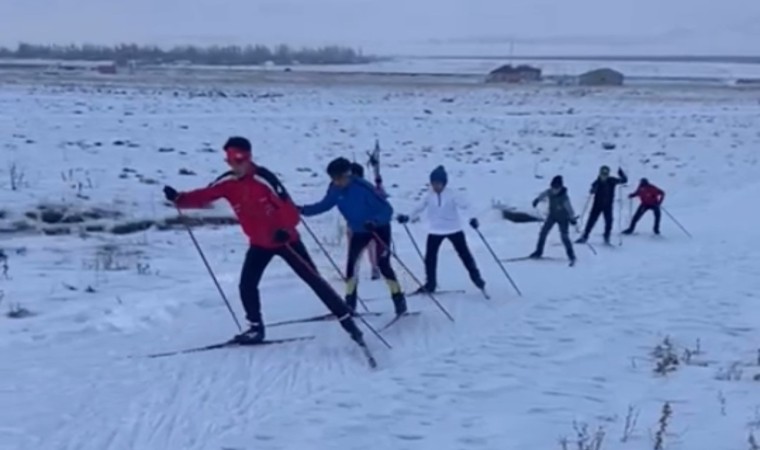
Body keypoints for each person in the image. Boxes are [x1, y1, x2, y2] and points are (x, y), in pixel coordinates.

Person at [162, 137, 365, 347]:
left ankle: (348, 323)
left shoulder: (264, 179)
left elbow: (290, 210)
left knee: (314, 280)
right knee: (247, 285)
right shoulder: (227, 182)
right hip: (259, 243)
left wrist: (285, 230)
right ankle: (255, 329)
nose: (236, 165)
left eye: (240, 159)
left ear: (249, 157)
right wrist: (179, 198)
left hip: (286, 241)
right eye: (231, 161)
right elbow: (205, 194)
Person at [299, 157, 407, 316]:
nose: (336, 182)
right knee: (351, 267)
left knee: (383, 264)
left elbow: (387, 210)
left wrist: (375, 221)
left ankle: (399, 300)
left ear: (348, 175)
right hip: (359, 231)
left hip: (379, 229)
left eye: (339, 178)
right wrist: (302, 210)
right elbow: (324, 205)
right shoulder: (334, 189)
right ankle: (350, 305)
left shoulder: (363, 188)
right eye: (333, 178)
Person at [396, 165, 485, 294]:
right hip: (435, 231)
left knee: (465, 255)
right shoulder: (429, 195)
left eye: (438, 183)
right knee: (430, 258)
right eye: (433, 183)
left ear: (444, 183)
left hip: (454, 229)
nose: (436, 186)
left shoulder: (452, 194)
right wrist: (407, 217)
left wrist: (473, 218)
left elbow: (466, 206)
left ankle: (477, 279)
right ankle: (430, 284)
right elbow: (419, 208)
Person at [530, 175, 577, 264]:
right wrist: (537, 200)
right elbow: (543, 194)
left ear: (560, 187)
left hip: (563, 219)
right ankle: (538, 252)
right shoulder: (550, 192)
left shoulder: (564, 198)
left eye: (556, 188)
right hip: (552, 216)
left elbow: (570, 209)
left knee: (564, 237)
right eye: (553, 188)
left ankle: (571, 255)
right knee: (543, 233)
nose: (554, 190)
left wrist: (572, 219)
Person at [576, 165, 628, 244]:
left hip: (608, 206)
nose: (604, 176)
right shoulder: (596, 183)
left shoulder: (612, 181)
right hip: (597, 205)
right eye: (603, 174)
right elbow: (591, 191)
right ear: (600, 174)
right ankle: (585, 236)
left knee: (609, 221)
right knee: (591, 221)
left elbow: (624, 180)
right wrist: (592, 190)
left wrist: (621, 174)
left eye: (606, 174)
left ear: (608, 174)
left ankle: (606, 236)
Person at [348, 162, 382, 280]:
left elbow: (380, 197)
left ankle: (375, 268)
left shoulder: (367, 188)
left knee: (371, 247)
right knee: (353, 249)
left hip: (368, 224)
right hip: (353, 225)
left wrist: (379, 184)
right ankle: (352, 271)